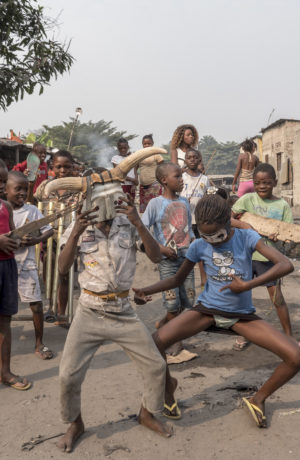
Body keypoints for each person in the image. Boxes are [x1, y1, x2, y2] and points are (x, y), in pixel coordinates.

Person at [133, 194, 300, 426]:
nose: (213, 241)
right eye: (206, 235)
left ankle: (258, 399)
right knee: (154, 343)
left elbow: (285, 264)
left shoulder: (246, 237)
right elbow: (177, 279)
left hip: (242, 316)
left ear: (229, 223)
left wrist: (248, 285)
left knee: (295, 356)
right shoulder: (199, 245)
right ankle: (168, 387)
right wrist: (145, 289)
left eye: (218, 235)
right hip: (207, 310)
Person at [56, 197, 172, 453]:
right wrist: (75, 230)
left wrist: (139, 223)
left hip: (122, 311)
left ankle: (147, 414)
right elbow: (63, 269)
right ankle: (75, 423)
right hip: (89, 310)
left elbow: (155, 257)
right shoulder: (78, 226)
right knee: (68, 375)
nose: (101, 204)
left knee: (155, 365)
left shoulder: (128, 222)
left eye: (106, 195)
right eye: (95, 197)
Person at [231, 162, 296, 350]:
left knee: (277, 297)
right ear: (253, 183)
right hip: (245, 255)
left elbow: (287, 231)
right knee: (243, 296)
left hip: (269, 258)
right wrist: (245, 225)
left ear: (274, 182)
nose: (262, 187)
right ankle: (244, 334)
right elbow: (229, 217)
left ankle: (289, 335)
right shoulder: (247, 199)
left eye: (267, 183)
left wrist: (279, 235)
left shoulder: (282, 205)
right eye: (258, 183)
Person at [142, 162, 196, 361]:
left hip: (186, 259)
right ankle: (175, 340)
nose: (182, 180)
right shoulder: (155, 204)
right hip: (167, 260)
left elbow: (188, 230)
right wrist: (161, 248)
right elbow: (144, 230)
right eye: (178, 177)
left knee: (188, 300)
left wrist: (194, 249)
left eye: (182, 177)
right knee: (173, 302)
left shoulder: (185, 202)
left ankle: (165, 325)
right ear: (164, 180)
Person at [6, 171, 54, 359]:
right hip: (5, 265)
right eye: (18, 188)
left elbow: (48, 231)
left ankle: (39, 343)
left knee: (36, 305)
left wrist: (36, 240)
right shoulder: (2, 210)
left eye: (25, 189)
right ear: (5, 189)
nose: (22, 193)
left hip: (27, 266)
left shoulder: (32, 211)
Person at [34, 150, 80, 326]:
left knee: (65, 274)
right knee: (49, 263)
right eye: (59, 166)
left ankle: (62, 313)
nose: (63, 170)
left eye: (67, 166)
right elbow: (35, 202)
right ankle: (51, 305)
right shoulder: (45, 186)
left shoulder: (78, 187)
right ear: (52, 167)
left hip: (69, 238)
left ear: (72, 167)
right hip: (48, 236)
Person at [0, 160, 31, 390]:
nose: (1, 186)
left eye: (3, 181)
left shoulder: (5, 206)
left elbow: (11, 232)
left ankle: (5, 372)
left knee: (5, 321)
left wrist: (19, 239)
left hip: (7, 266)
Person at [180, 149, 210, 290]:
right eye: (189, 157)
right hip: (183, 221)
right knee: (184, 252)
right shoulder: (181, 177)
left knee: (201, 251)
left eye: (195, 157)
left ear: (199, 160)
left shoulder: (204, 179)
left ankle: (204, 279)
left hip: (199, 221)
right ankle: (183, 280)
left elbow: (207, 199)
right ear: (185, 160)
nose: (192, 159)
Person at [138, 134, 164, 213]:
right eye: (145, 144)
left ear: (152, 143)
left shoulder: (155, 154)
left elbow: (162, 166)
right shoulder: (139, 155)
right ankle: (146, 225)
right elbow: (135, 168)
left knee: (155, 209)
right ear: (142, 144)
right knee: (146, 211)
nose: (147, 145)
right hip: (143, 186)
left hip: (154, 185)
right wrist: (135, 179)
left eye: (148, 143)